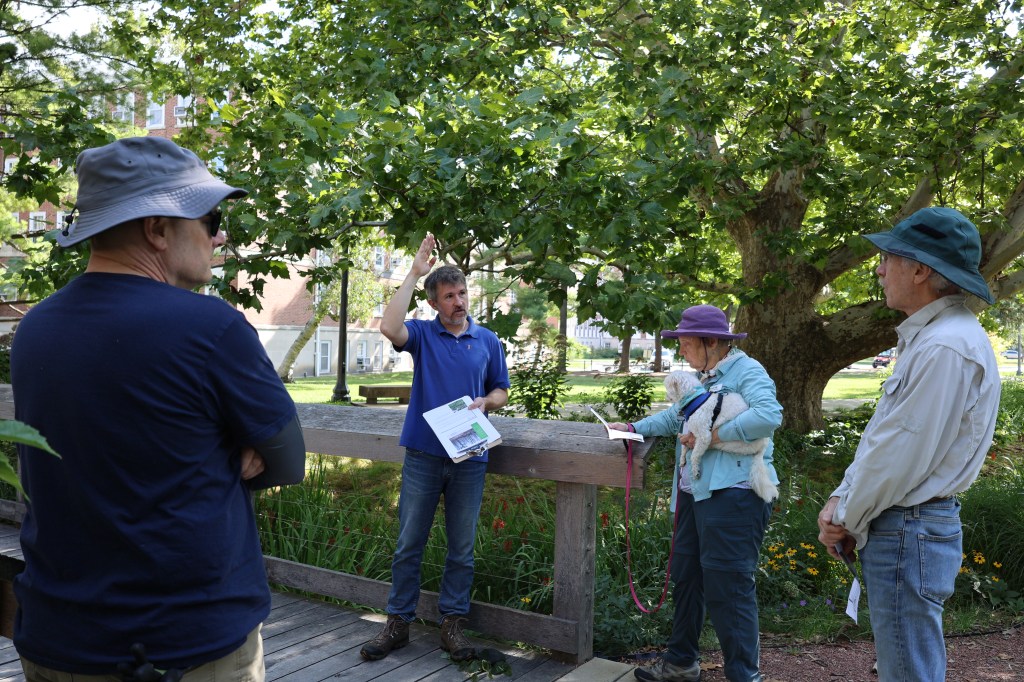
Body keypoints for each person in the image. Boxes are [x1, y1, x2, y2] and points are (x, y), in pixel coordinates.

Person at [10, 137, 307, 678]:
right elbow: (287, 458)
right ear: (157, 228)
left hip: (58, 639)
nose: (220, 235)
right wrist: (229, 451)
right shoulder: (210, 327)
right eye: (210, 217)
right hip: (187, 647)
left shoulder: (34, 329)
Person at [817, 207, 1001, 681]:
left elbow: (900, 458)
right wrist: (843, 497)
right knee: (908, 664)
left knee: (907, 671)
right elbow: (887, 440)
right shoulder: (938, 339)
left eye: (888, 258)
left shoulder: (944, 346)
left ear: (919, 270)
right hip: (909, 528)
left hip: (907, 529)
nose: (879, 270)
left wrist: (844, 517)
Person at [611, 304, 782, 682]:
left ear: (711, 342)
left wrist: (715, 437)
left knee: (729, 590)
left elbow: (769, 416)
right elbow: (678, 417)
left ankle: (744, 677)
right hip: (695, 493)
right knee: (687, 577)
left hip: (734, 494)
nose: (681, 351)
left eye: (686, 343)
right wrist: (631, 428)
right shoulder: (704, 376)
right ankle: (680, 664)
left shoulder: (747, 371)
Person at [359, 234, 510, 663]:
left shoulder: (488, 340)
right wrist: (413, 273)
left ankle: (452, 627)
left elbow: (500, 390)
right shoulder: (423, 335)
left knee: (461, 548)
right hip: (424, 456)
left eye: (462, 292)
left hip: (470, 458)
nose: (458, 301)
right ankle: (398, 624)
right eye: (448, 296)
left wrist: (487, 402)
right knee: (409, 543)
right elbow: (389, 327)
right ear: (434, 303)